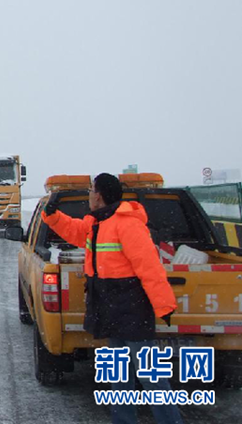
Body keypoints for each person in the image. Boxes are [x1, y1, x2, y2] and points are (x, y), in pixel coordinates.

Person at [43, 173, 181, 424]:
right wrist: (53, 216)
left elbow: (149, 267)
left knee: (151, 377)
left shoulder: (127, 224)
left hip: (133, 309)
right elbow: (74, 231)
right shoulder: (96, 223)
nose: (88, 195)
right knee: (119, 377)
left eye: (90, 191)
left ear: (99, 195)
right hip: (110, 308)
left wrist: (163, 304)